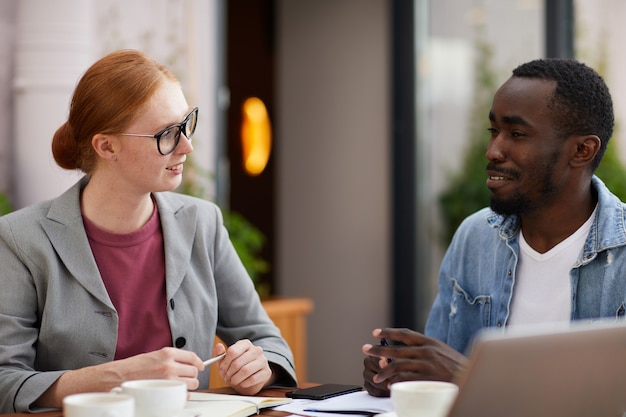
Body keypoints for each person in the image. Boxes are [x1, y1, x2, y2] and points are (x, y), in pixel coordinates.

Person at [0, 49, 296, 413]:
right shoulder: (19, 238)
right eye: (167, 134)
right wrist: (117, 377)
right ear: (107, 146)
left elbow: (268, 341)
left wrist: (259, 368)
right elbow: (5, 381)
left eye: (186, 124)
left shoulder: (203, 222)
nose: (186, 146)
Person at [362, 58, 626, 396]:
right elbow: (437, 375)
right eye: (493, 131)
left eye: (516, 134)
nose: (493, 150)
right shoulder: (475, 237)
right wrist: (400, 372)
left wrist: (472, 377)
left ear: (582, 150)